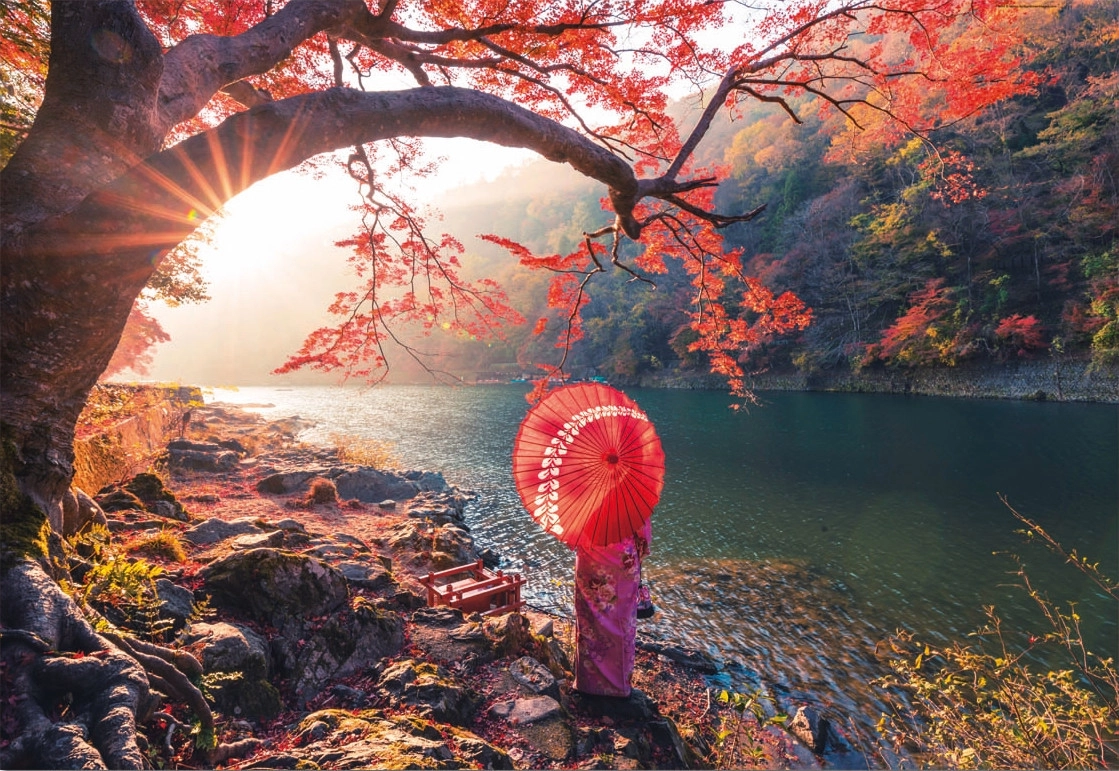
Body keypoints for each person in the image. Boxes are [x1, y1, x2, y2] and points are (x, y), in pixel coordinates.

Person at [572, 519, 651, 697]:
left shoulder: (584, 494)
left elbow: (572, 527)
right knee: (621, 619)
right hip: (621, 560)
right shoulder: (628, 496)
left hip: (588, 555)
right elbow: (643, 535)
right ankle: (618, 687)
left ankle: (587, 683)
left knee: (588, 619)